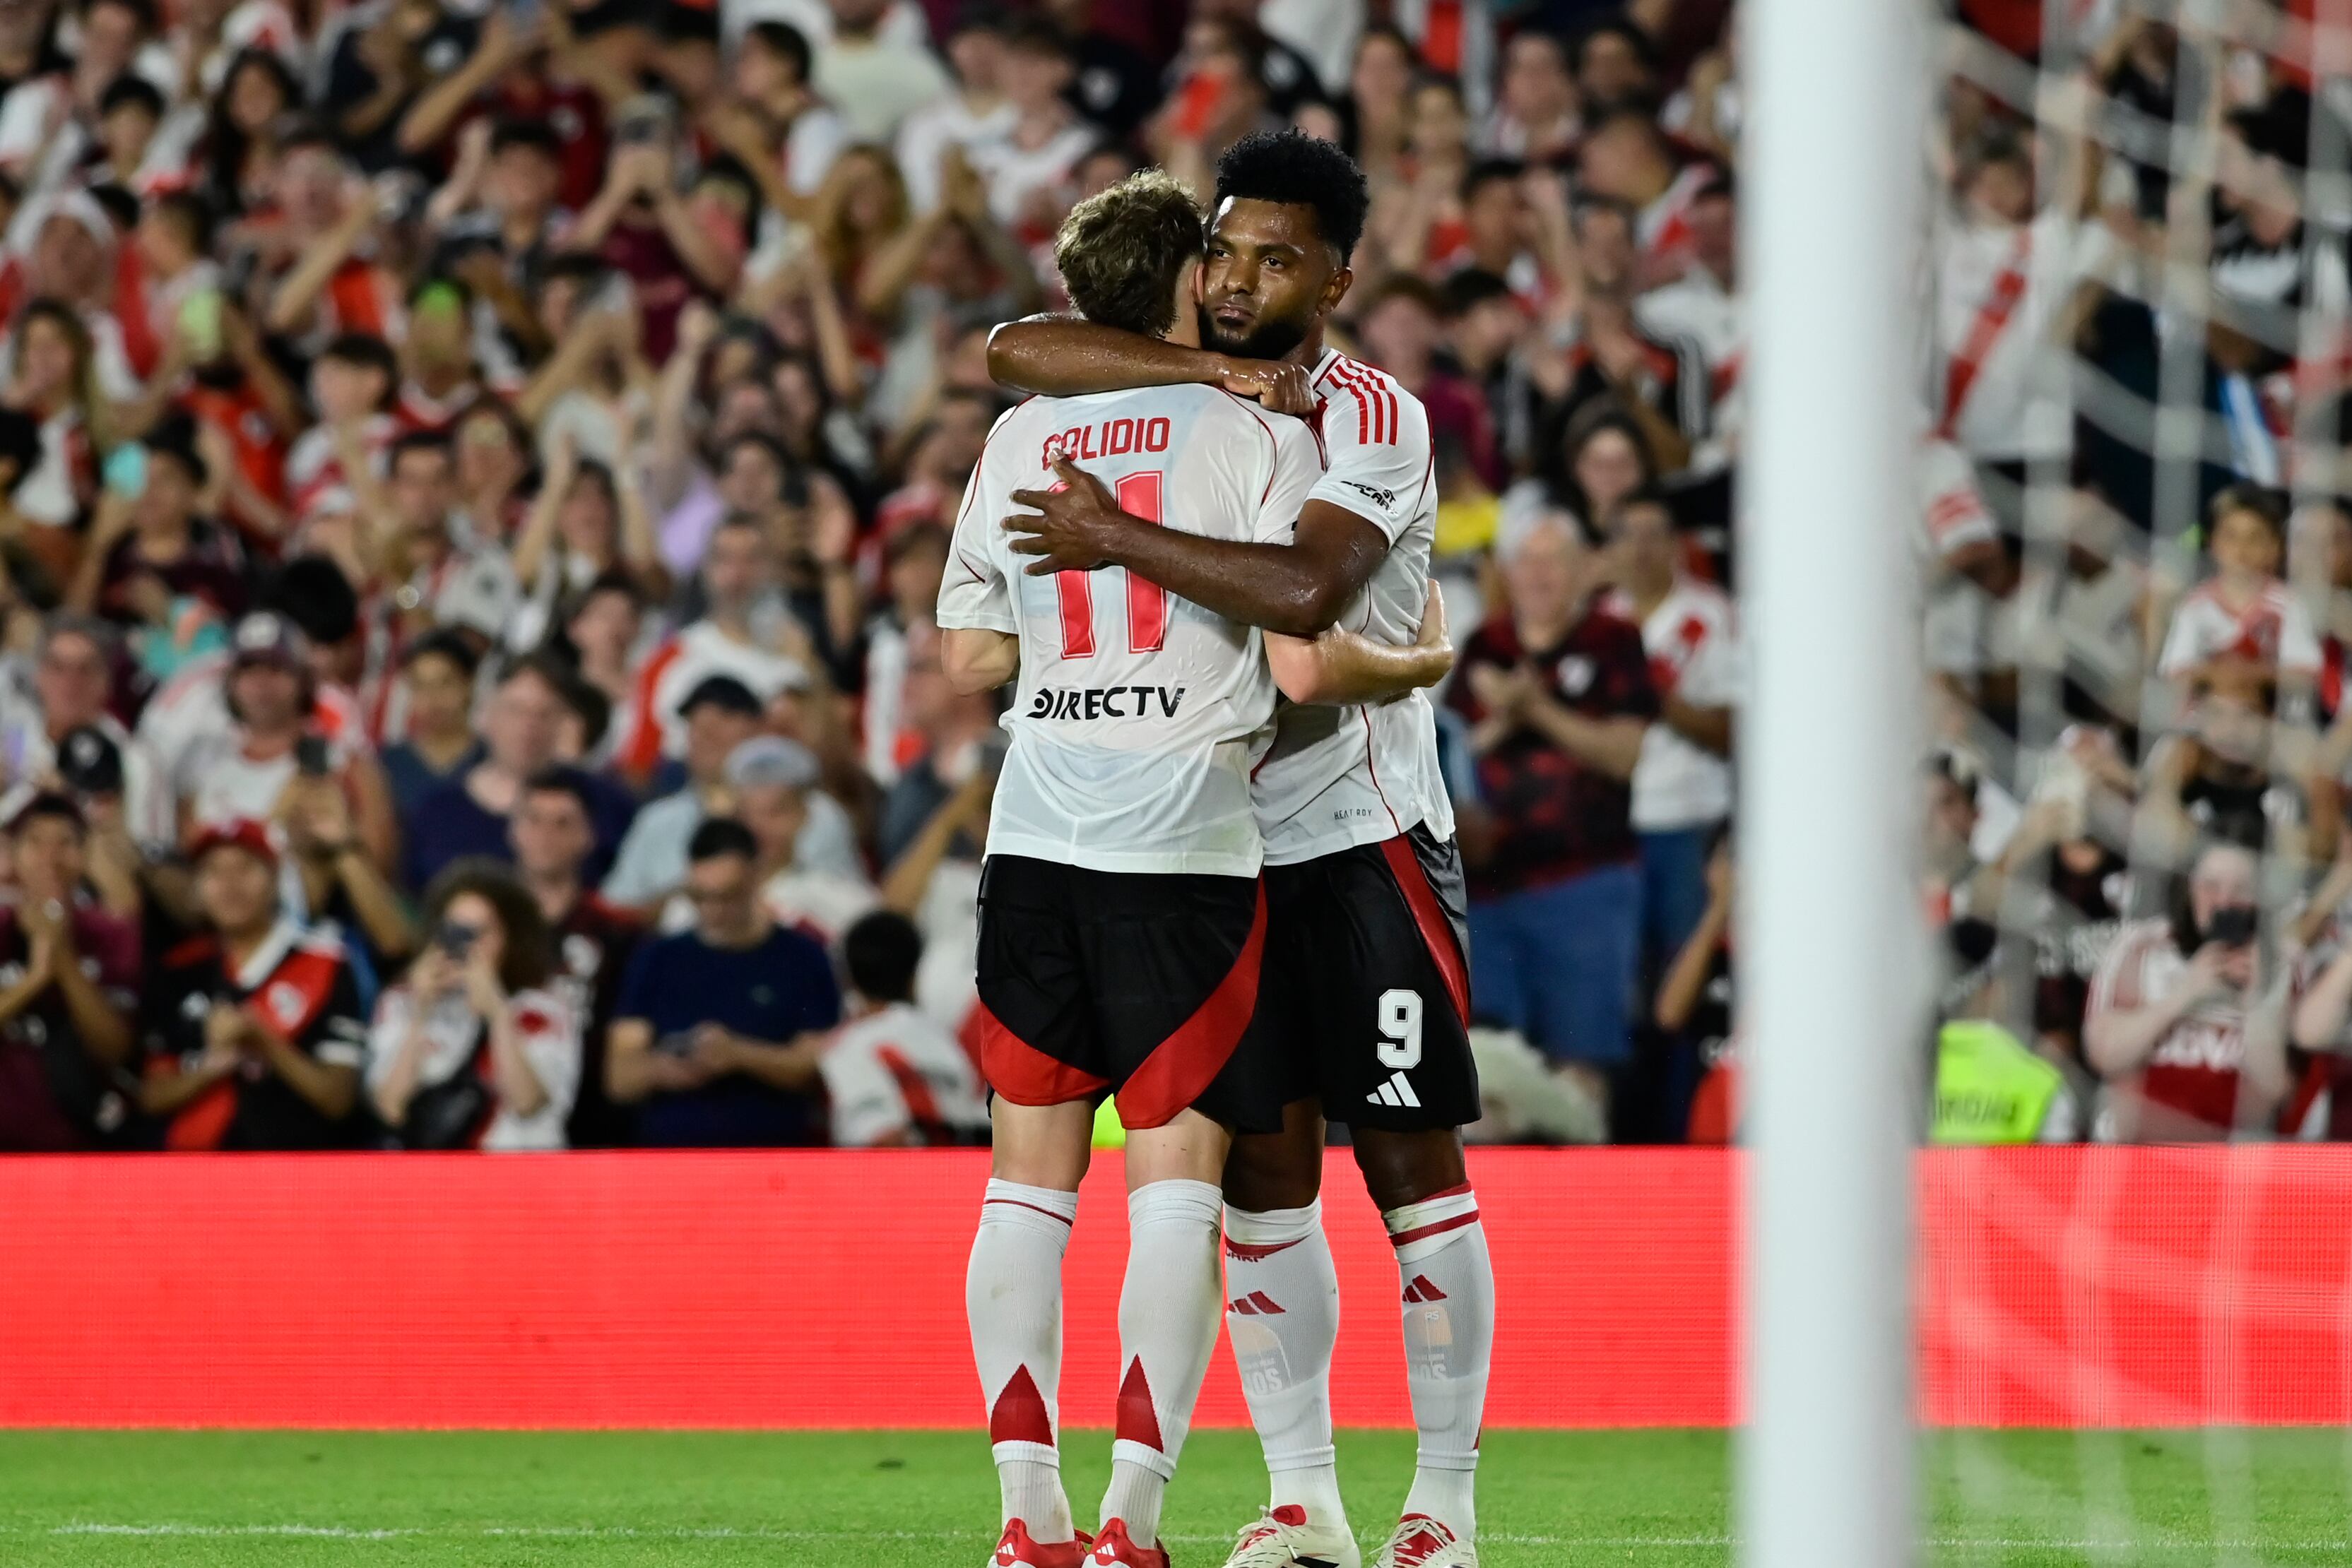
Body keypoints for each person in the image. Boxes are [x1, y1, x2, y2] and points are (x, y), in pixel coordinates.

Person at [988, 133, 1489, 1568]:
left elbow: (1305, 590)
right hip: (1207, 847)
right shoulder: (1162, 379)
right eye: (1222, 249)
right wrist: (1202, 379)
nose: (1235, 281)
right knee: (1260, 1175)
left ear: (1336, 279)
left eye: (1276, 260)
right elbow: (1008, 348)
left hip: (1361, 833)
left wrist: (1111, 536)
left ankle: (1440, 1508)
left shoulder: (1372, 416)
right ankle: (1303, 1503)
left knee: (1409, 1162)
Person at [940, 168, 1328, 1568]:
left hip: (1035, 834)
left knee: (1023, 1188)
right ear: (1183, 284)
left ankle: (1021, 1516)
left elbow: (968, 656)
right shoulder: (1257, 430)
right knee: (1174, 1186)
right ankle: (1128, 1521)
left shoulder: (1014, 441)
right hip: (1186, 846)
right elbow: (1301, 647)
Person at [1447, 511, 1655, 1107]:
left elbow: (1624, 754)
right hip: (1488, 891)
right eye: (1527, 562)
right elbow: (1454, 747)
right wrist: (1506, 717)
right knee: (1489, 1068)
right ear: (1508, 574)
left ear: (1582, 571)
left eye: (1553, 561)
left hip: (1585, 883)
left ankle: (1591, 1196)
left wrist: (1534, 709)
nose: (1538, 576)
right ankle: (1503, 1197)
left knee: (1581, 1061)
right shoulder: (1485, 644)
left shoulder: (1611, 641)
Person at [604, 816, 840, 1148]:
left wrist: (739, 1054)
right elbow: (619, 1077)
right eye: (699, 897)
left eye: (727, 897)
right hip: (673, 1159)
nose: (713, 910)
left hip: (772, 1160)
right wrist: (666, 1069)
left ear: (757, 877)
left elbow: (814, 1066)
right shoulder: (658, 959)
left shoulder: (803, 958)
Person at [137, 819, 369, 1150]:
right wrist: (213, 1066)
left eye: (246, 868)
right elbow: (152, 1094)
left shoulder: (325, 963)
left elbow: (338, 1099)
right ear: (198, 888)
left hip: (295, 1175)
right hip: (195, 1181)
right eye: (214, 872)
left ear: (275, 878)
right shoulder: (179, 970)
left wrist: (262, 1039)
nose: (230, 885)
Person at [2084, 840, 2292, 1141]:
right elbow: (2104, 1056)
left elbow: (2277, 1091)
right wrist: (2185, 994)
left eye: (2241, 889)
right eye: (2211, 885)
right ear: (2189, 886)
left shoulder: (2277, 962)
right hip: (2138, 1155)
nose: (2224, 901)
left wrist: (2256, 1000)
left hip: (2233, 1162)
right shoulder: (2140, 949)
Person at [366, 858, 579, 1151]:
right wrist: (420, 1012)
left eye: (480, 934)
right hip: (434, 1179)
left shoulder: (542, 1009)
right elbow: (391, 1107)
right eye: (456, 932)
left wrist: (498, 1014)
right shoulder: (402, 1001)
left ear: (511, 938)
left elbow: (527, 1103)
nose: (466, 948)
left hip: (519, 1174)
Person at [404, 655, 634, 891]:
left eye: (544, 713)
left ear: (564, 722)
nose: (529, 726)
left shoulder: (605, 805)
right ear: (486, 715)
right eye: (516, 710)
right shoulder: (436, 810)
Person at [510, 765, 642, 1149]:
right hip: (501, 1128)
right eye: (533, 820)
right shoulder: (488, 925)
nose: (545, 836)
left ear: (587, 836)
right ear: (513, 830)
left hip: (592, 1128)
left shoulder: (618, 934)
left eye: (563, 823)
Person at [0, 793, 140, 1151]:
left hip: (87, 1151)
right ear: (12, 855)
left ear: (85, 856)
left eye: (66, 843)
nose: (50, 857)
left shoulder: (112, 934)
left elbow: (117, 1049)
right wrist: (33, 981)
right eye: (35, 842)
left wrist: (61, 958)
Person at [820, 909, 988, 1146]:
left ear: (847, 978)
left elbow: (880, 1138)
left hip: (896, 1176)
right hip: (960, 1172)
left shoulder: (847, 1047)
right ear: (915, 974)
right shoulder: (943, 1039)